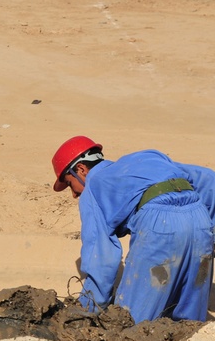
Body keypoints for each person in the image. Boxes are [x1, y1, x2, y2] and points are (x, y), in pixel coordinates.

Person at [52, 135, 215, 323]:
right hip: (201, 220)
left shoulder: (93, 187)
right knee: (190, 324)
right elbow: (208, 180)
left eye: (69, 184)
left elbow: (101, 258)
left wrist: (87, 310)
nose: (73, 194)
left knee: (130, 325)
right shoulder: (148, 157)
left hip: (160, 227)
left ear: (81, 170)